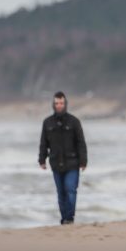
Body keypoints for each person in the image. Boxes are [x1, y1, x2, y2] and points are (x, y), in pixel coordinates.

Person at [38, 92, 88, 225]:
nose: (59, 106)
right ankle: (65, 218)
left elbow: (81, 142)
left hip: (72, 163)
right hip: (55, 163)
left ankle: (69, 219)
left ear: (65, 104)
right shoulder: (47, 122)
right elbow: (44, 143)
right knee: (61, 193)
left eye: (61, 103)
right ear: (53, 105)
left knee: (70, 190)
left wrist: (83, 161)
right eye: (56, 103)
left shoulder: (74, 122)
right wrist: (42, 160)